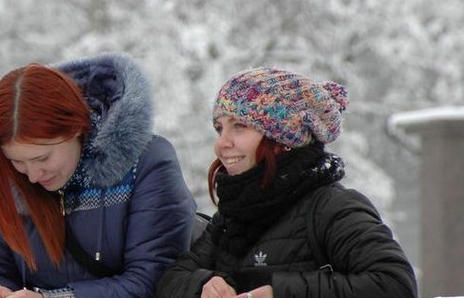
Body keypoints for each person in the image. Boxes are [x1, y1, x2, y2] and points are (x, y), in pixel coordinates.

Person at [156, 67, 417, 298]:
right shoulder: (232, 218)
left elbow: (395, 284)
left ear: (282, 138)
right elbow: (171, 279)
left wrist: (279, 292)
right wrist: (203, 284)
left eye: (239, 126)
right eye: (219, 128)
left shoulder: (331, 208)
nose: (222, 143)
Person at [0, 53, 197, 298]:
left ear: (76, 127)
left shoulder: (148, 163)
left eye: (42, 158)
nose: (32, 176)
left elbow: (153, 280)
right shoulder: (10, 177)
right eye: (17, 161)